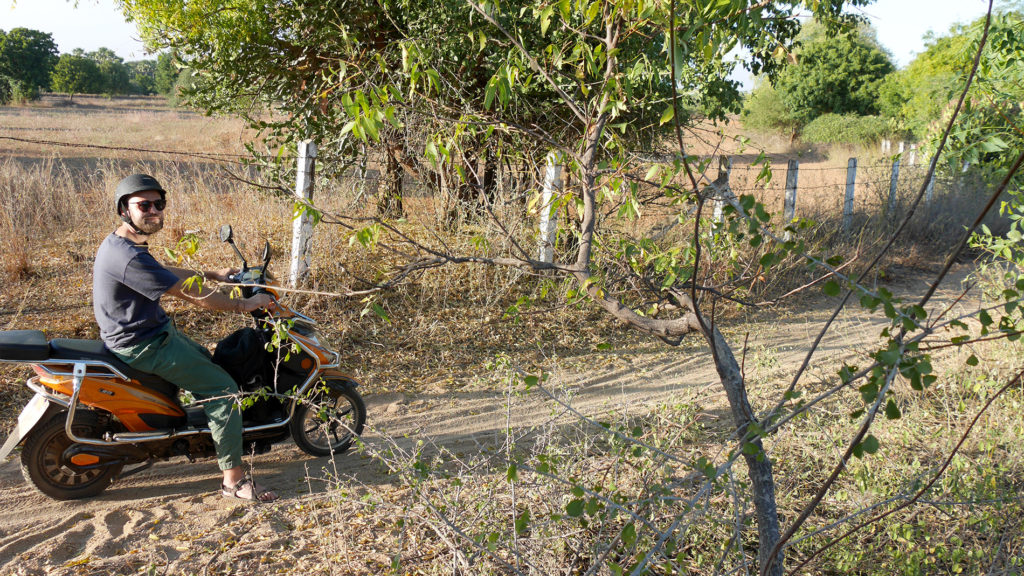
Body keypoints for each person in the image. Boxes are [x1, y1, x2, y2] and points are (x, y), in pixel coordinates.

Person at [93, 173, 278, 502]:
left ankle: (209, 431)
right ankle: (233, 482)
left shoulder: (122, 244)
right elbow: (196, 297)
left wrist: (212, 274)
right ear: (124, 210)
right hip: (146, 345)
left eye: (158, 204)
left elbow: (163, 273)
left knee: (211, 366)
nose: (153, 210)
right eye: (143, 205)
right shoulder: (129, 257)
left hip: (151, 334)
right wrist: (245, 303)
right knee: (223, 390)